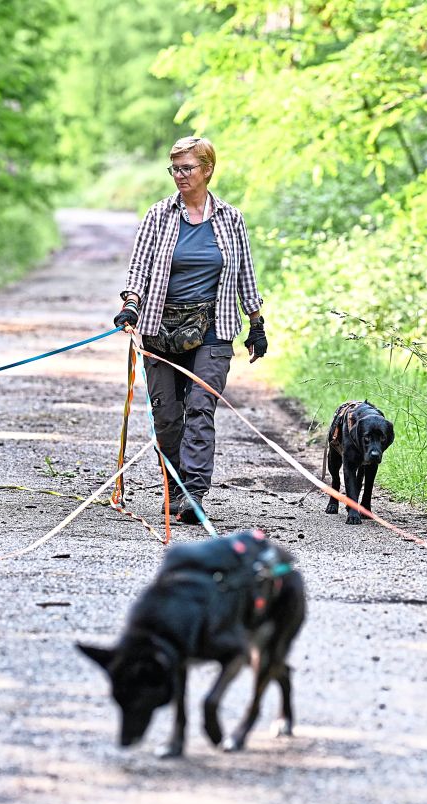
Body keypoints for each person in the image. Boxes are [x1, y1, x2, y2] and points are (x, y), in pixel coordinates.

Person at [112, 136, 267, 524]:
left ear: (207, 169)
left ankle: (193, 494)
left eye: (187, 168)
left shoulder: (231, 219)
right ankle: (175, 486)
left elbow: (245, 274)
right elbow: (139, 267)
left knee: (200, 406)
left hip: (213, 327)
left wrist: (256, 323)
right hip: (160, 326)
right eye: (175, 169)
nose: (179, 175)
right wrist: (131, 303)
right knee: (167, 415)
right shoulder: (158, 215)